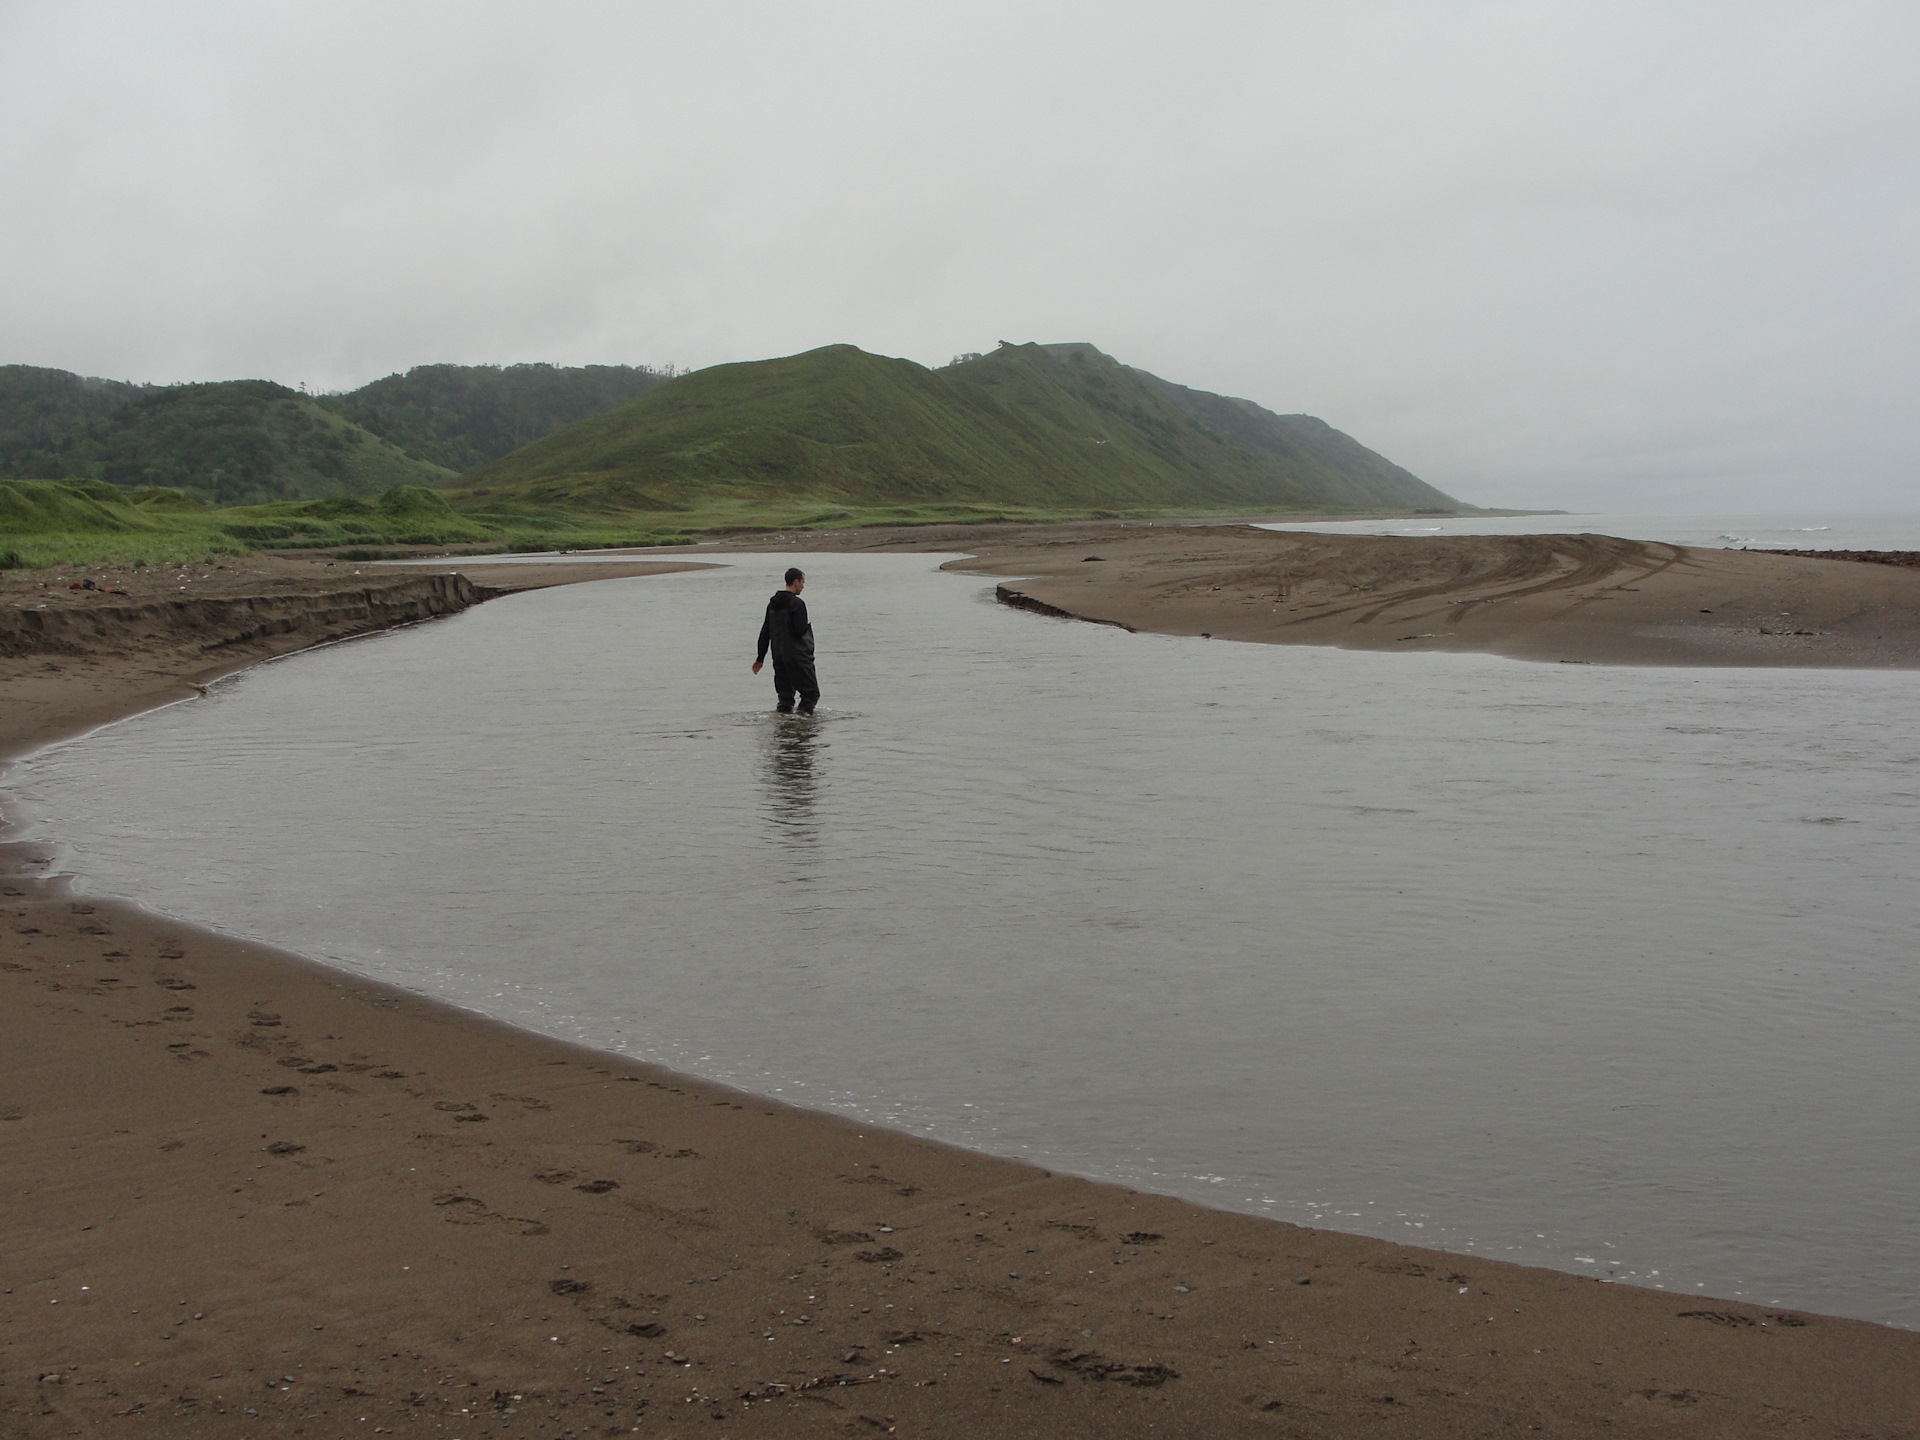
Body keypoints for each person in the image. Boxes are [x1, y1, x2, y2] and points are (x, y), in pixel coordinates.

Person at [752, 567, 819, 714]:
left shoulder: (772, 605)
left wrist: (760, 658)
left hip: (779, 657)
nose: (803, 586)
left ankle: (783, 729)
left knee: (785, 699)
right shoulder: (797, 604)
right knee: (811, 695)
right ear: (795, 582)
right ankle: (802, 727)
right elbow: (799, 631)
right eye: (802, 582)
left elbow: (765, 632)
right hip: (798, 657)